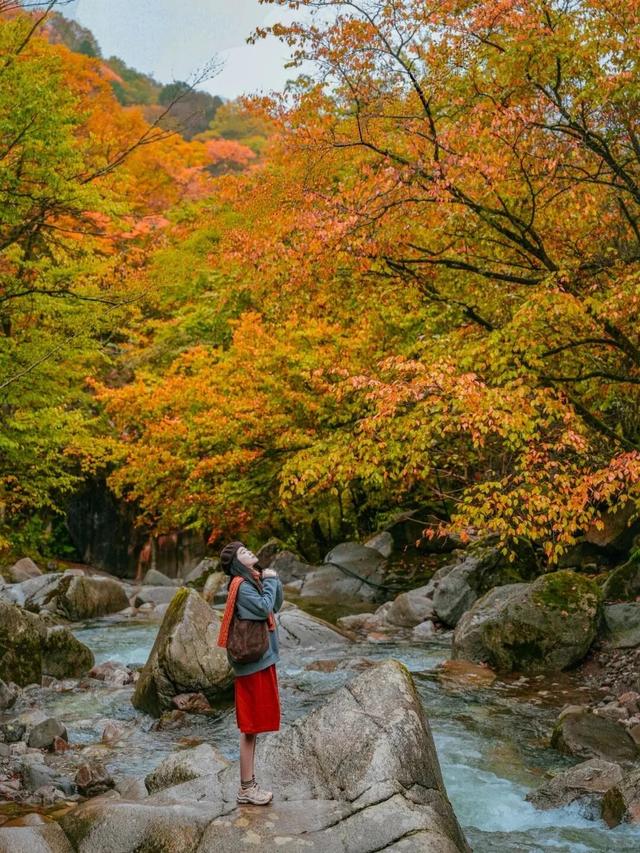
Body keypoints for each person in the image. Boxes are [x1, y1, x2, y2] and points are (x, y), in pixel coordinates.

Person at [218, 541, 283, 805]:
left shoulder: (253, 580)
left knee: (253, 727)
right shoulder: (242, 586)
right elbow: (263, 608)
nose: (249, 552)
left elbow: (275, 605)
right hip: (252, 663)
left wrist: (272, 580)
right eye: (243, 553)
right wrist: (268, 583)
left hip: (260, 660)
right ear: (236, 564)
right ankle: (246, 787)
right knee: (250, 727)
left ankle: (248, 785)